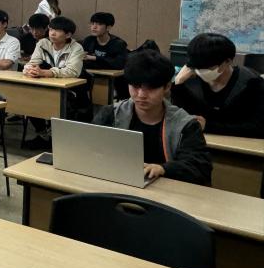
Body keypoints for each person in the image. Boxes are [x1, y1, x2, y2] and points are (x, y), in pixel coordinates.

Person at [94, 50, 212, 185]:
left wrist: (164, 169)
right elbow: (90, 149)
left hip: (166, 190)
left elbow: (200, 168)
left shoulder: (185, 125)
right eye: (135, 86)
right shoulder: (111, 114)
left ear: (167, 87)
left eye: (150, 88)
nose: (141, 95)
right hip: (117, 182)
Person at [171, 33, 264, 137]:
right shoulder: (190, 80)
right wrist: (178, 84)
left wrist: (208, 126)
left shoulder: (252, 83)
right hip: (199, 140)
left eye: (207, 67)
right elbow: (178, 118)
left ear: (227, 61)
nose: (201, 71)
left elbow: (259, 128)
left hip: (238, 144)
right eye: (197, 67)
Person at [22, 16, 87, 148]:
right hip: (47, 86)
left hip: (71, 90)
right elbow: (32, 63)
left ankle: (58, 139)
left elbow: (72, 71)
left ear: (68, 34)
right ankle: (43, 135)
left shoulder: (76, 48)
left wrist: (46, 72)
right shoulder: (43, 43)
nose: (52, 33)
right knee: (28, 99)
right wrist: (29, 70)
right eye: (51, 29)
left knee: (59, 104)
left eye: (57, 30)